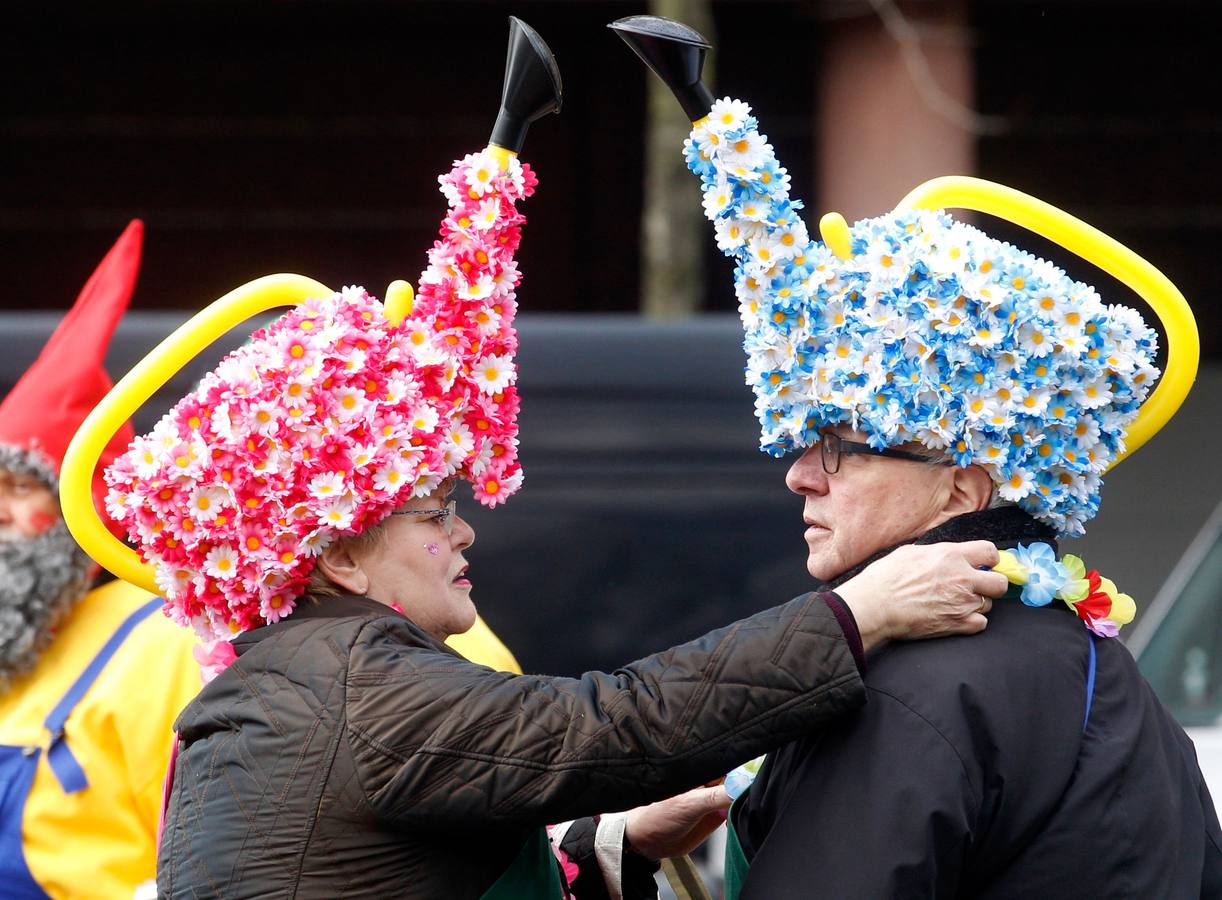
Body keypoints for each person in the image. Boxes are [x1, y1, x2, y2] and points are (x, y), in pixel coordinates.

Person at [74, 20, 1009, 899]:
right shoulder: (358, 683)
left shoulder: (310, 676)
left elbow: (417, 853)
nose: (464, 525)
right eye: (434, 509)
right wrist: (860, 614)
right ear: (338, 553)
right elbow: (615, 723)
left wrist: (611, 841)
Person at [612, 19, 1222, 895]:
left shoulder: (908, 691)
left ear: (962, 487)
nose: (799, 474)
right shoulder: (1101, 667)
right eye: (799, 442)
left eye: (843, 448)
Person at [0, 221, 205, 900]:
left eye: (22, 488)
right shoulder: (17, 643)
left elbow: (208, 858)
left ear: (84, 511)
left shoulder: (170, 639)